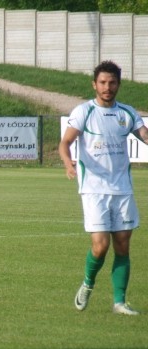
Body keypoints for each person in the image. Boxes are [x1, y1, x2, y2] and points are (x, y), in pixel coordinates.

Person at [58, 60, 148, 316]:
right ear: (94, 85)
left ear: (119, 84)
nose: (107, 87)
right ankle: (88, 283)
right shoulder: (84, 112)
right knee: (100, 246)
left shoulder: (127, 113)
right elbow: (65, 143)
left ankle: (120, 302)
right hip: (94, 189)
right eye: (103, 82)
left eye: (112, 83)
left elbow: (144, 134)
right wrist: (67, 162)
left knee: (123, 245)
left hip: (122, 189)